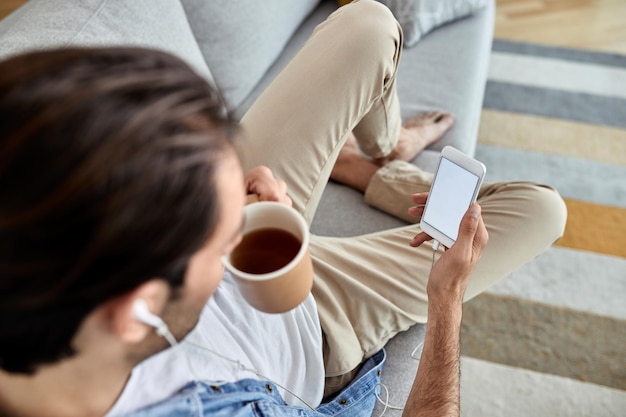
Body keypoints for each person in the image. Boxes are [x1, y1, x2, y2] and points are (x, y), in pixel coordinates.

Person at [0, 1, 566, 416]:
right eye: (223, 237)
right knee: (540, 211)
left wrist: (252, 213)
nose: (260, 194)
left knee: (368, 26)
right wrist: (447, 305)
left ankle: (377, 155)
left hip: (249, 289)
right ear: (138, 310)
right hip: (320, 328)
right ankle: (368, 171)